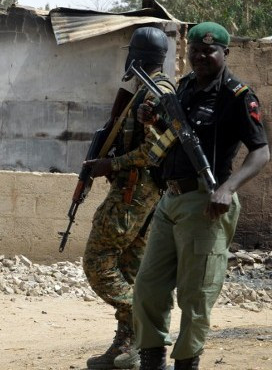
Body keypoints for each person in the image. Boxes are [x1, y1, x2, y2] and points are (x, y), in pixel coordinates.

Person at [134, 22, 269, 370]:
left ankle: (186, 364)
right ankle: (151, 360)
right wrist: (151, 119)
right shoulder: (185, 87)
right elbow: (172, 134)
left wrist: (227, 188)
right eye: (196, 49)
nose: (201, 56)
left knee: (195, 298)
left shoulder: (238, 96)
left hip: (207, 202)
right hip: (171, 200)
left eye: (210, 50)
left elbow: (261, 152)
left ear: (226, 53)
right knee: (148, 287)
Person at [82, 27, 175, 369]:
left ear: (137, 55)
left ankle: (144, 320)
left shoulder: (154, 93)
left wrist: (112, 163)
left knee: (97, 261)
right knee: (129, 268)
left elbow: (154, 150)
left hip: (136, 191)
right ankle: (127, 347)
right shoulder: (151, 88)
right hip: (146, 193)